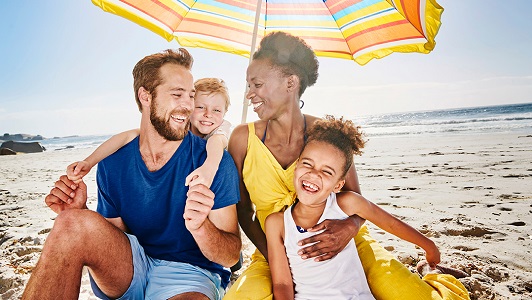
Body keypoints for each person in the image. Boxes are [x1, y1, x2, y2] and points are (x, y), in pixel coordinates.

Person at [224, 31, 469, 299]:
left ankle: (434, 275)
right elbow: (243, 209)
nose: (249, 94)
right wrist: (278, 255)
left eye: (257, 84)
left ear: (290, 83)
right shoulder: (241, 138)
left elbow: (355, 200)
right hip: (272, 249)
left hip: (344, 246)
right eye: (248, 85)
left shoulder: (325, 133)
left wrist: (349, 228)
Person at [22, 49, 241, 300]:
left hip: (189, 274)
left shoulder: (213, 162)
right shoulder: (113, 162)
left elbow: (231, 255)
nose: (188, 105)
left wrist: (201, 228)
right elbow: (118, 236)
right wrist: (81, 214)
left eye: (190, 95)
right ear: (145, 96)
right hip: (132, 266)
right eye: (177, 94)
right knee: (70, 223)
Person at [266, 116, 452, 299]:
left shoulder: (346, 204)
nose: (313, 174)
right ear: (297, 166)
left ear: (338, 185)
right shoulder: (277, 223)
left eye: (326, 171)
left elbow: (391, 224)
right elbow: (282, 283)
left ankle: (431, 272)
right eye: (307, 163)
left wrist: (429, 247)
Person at [67, 77, 232, 189]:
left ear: (224, 113)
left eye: (216, 110)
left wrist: (209, 168)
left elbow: (216, 142)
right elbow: (129, 136)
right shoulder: (181, 124)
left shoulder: (220, 129)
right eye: (200, 107)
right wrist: (89, 162)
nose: (208, 114)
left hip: (211, 177)